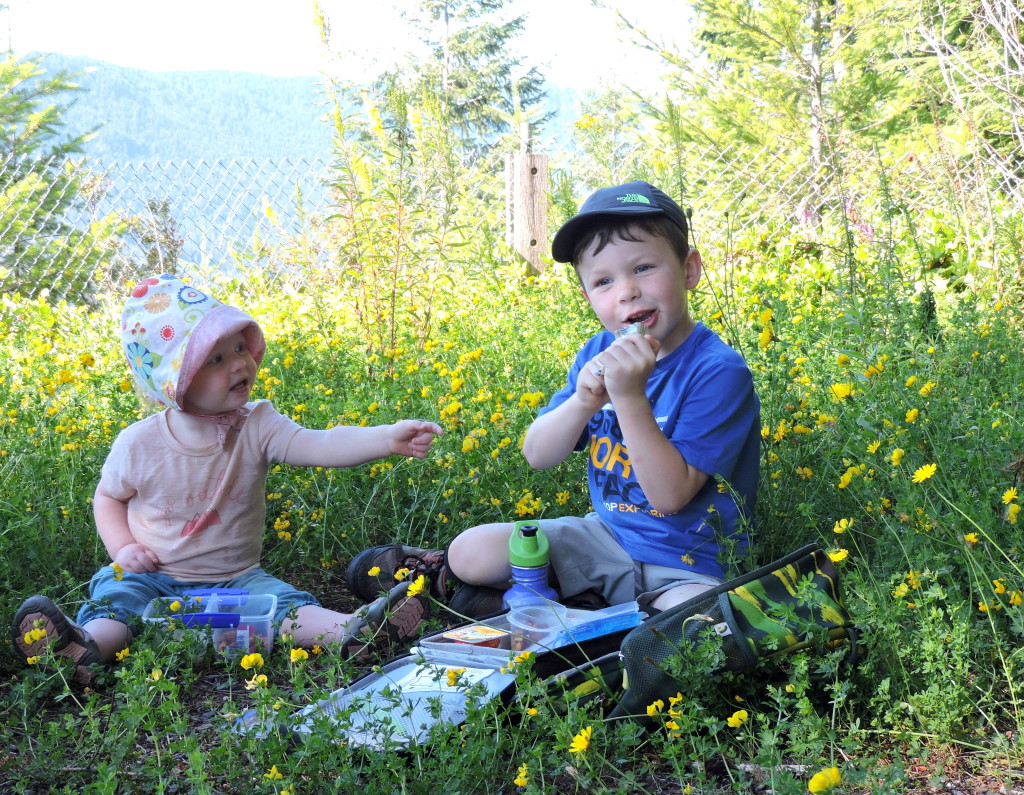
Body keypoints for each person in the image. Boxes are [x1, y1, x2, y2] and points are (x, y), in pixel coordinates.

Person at [346, 181, 761, 619]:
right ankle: (546, 595)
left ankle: (555, 605)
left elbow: (669, 497)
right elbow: (537, 454)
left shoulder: (717, 371)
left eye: (643, 268)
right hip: (605, 537)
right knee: (471, 550)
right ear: (588, 297)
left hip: (688, 565)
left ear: (689, 270)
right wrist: (583, 400)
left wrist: (628, 398)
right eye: (603, 281)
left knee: (699, 618)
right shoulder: (597, 353)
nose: (626, 291)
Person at [12, 275, 443, 684]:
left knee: (284, 606)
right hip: (152, 576)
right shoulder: (138, 444)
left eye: (240, 348)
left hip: (238, 577)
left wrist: (386, 438)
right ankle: (83, 646)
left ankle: (352, 631)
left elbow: (320, 445)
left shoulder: (257, 424)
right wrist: (123, 549)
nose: (239, 364)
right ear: (174, 381)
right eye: (215, 359)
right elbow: (107, 498)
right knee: (117, 604)